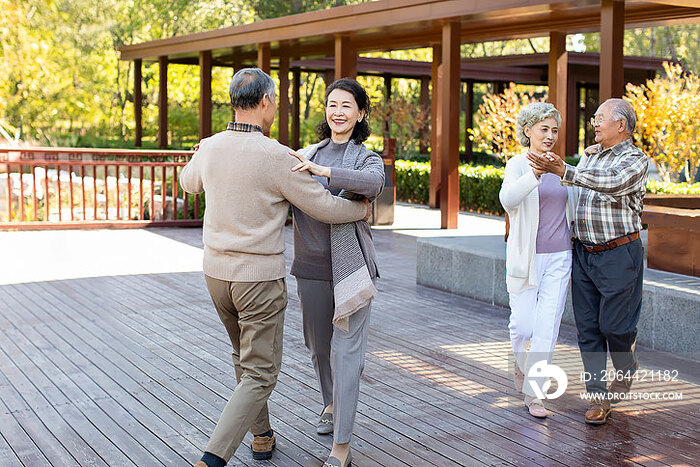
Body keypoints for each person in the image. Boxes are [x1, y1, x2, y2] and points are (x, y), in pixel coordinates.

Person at [180, 68, 370, 467]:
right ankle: (212, 458)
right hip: (258, 281)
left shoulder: (212, 146)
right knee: (261, 373)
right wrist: (360, 207)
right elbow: (324, 207)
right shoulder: (276, 155)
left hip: (216, 275)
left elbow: (188, 183)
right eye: (276, 101)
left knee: (243, 358)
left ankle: (262, 436)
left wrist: (201, 152)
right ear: (265, 102)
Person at [528, 98, 648, 425]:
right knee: (588, 329)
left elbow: (609, 183)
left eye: (600, 118)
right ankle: (598, 396)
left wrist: (564, 169)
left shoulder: (636, 159)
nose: (594, 122)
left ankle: (626, 366)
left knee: (615, 327)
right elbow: (573, 189)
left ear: (621, 125)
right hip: (583, 253)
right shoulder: (590, 155)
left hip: (619, 254)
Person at [287, 78, 384, 467]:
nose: (337, 111)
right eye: (331, 104)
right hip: (309, 267)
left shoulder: (366, 158)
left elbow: (374, 185)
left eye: (346, 105)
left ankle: (341, 446)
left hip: (352, 270)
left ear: (360, 113)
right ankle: (330, 403)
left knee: (347, 356)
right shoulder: (303, 154)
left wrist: (323, 171)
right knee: (319, 349)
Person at [499, 102, 574, 418]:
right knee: (524, 325)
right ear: (528, 130)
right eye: (544, 129)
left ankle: (535, 394)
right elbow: (508, 200)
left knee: (546, 328)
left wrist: (559, 172)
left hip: (560, 257)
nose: (550, 135)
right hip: (525, 260)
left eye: (554, 130)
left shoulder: (561, 167)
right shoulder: (517, 164)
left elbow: (576, 199)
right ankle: (519, 361)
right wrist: (535, 174)